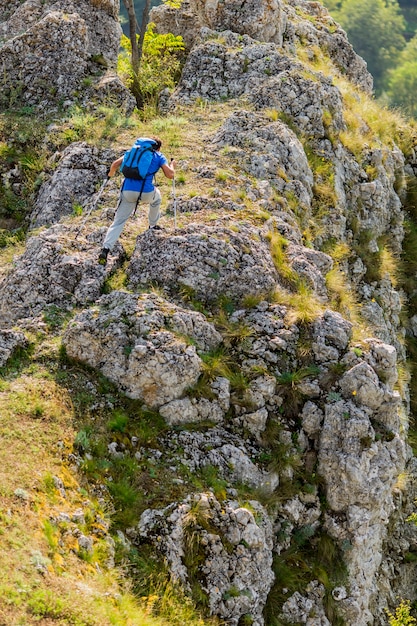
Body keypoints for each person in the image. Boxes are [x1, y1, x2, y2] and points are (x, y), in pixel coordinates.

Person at [98, 136, 175, 265]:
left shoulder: (133, 152)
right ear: (158, 147)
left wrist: (109, 176)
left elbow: (115, 164)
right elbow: (170, 175)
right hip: (146, 192)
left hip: (127, 191)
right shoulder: (159, 156)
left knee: (118, 221)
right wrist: (173, 165)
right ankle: (152, 226)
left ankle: (105, 249)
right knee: (157, 199)